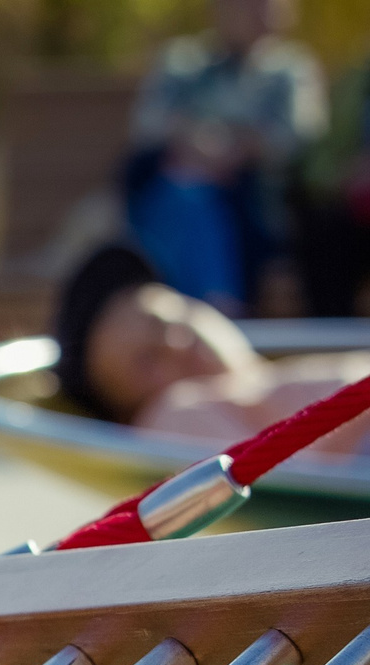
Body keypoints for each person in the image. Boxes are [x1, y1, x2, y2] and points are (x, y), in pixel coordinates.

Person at [54, 240, 370, 455]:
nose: (176, 345)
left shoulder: (274, 382)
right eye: (147, 362)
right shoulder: (173, 417)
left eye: (165, 320)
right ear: (128, 414)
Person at [123, 0, 324, 314]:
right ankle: (214, 310)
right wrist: (194, 144)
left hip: (253, 203)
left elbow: (299, 138)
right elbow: (147, 126)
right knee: (186, 197)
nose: (263, 12)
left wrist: (235, 149)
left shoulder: (290, 69)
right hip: (169, 194)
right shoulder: (184, 61)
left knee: (190, 200)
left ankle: (188, 313)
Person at [293, 52, 370, 315]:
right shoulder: (356, 83)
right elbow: (318, 162)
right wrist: (344, 175)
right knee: (322, 225)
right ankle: (330, 329)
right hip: (352, 205)